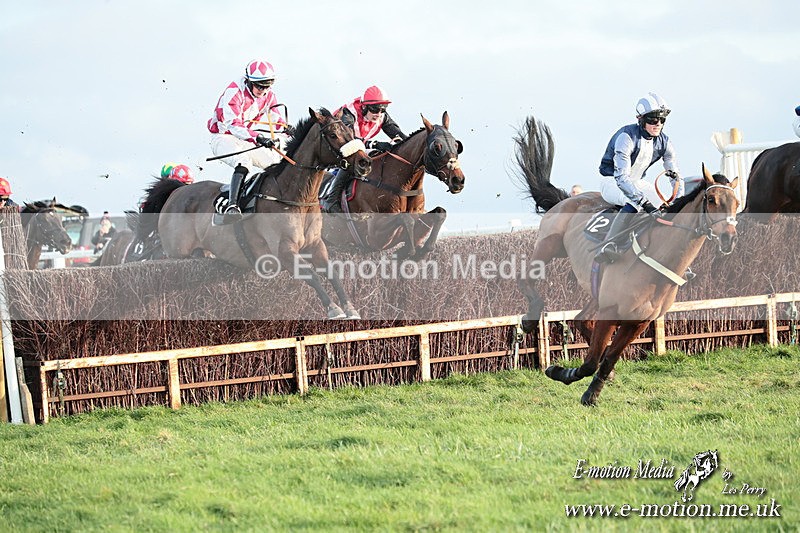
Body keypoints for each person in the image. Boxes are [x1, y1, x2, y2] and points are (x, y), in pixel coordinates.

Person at [594, 92, 683, 263]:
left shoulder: (665, 142)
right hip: (612, 181)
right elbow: (622, 178)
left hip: (637, 182)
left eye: (662, 120)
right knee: (634, 201)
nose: (658, 124)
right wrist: (645, 203)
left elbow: (676, 176)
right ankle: (610, 244)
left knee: (664, 207)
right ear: (640, 119)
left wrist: (679, 199)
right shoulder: (626, 137)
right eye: (653, 120)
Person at [208, 59, 292, 219]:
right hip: (223, 137)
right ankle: (232, 205)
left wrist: (287, 129)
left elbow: (276, 119)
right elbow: (233, 125)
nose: (263, 90)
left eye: (267, 86)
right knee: (243, 161)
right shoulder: (234, 92)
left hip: (246, 138)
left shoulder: (268, 95)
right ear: (248, 81)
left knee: (275, 162)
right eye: (260, 86)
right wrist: (258, 138)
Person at [321, 85, 408, 212]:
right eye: (375, 109)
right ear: (364, 107)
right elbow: (349, 142)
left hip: (357, 146)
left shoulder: (381, 115)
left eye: (383, 109)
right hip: (335, 148)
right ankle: (331, 199)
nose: (379, 114)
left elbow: (400, 137)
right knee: (353, 156)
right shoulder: (348, 114)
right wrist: (375, 144)